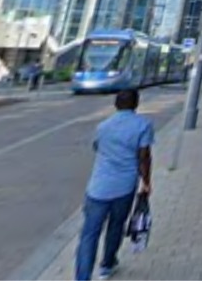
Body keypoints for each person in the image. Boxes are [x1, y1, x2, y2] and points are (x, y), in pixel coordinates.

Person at [74, 88, 153, 281]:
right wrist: (147, 182)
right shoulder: (143, 125)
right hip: (124, 187)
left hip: (98, 187)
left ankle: (82, 277)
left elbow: (97, 147)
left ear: (116, 104)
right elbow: (144, 157)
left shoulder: (103, 126)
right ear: (136, 104)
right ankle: (107, 265)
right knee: (116, 226)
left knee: (89, 234)